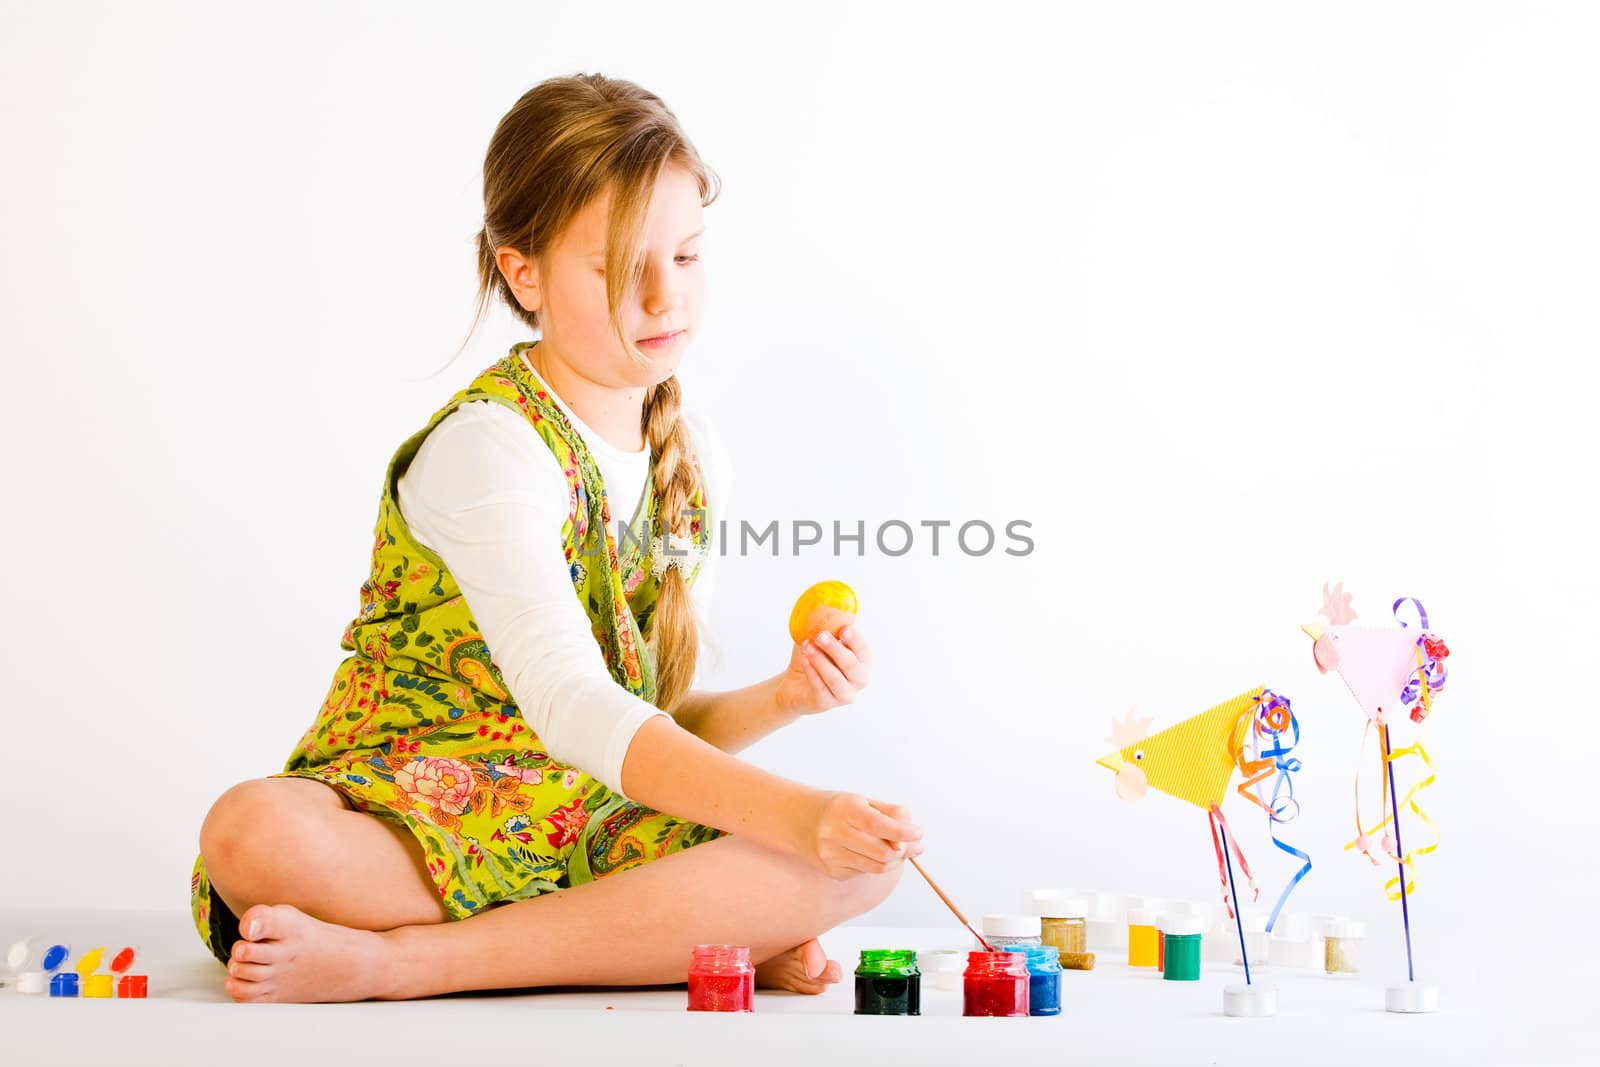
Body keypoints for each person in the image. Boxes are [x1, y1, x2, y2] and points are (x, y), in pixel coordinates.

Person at [188, 72, 923, 1004]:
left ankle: (420, 953)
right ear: (521, 270)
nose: (665, 298)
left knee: (864, 864)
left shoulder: (690, 459)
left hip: (578, 810)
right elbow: (579, 706)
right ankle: (591, 943)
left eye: (687, 258)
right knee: (254, 832)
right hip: (423, 806)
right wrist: (800, 815)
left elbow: (641, 716)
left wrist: (782, 698)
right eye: (621, 268)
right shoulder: (491, 446)